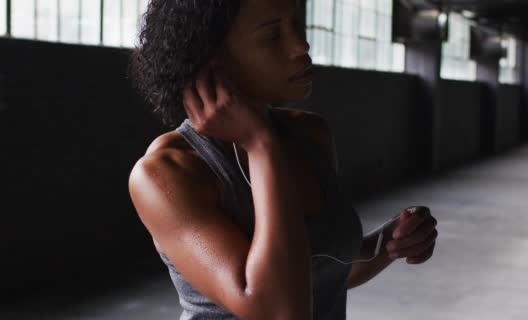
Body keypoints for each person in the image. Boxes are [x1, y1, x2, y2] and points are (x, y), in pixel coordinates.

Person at [127, 0, 438, 319]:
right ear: (213, 61)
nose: (301, 45)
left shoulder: (311, 135)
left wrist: (387, 245)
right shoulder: (166, 173)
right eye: (272, 36)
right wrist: (261, 146)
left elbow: (317, 274)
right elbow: (280, 310)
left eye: (297, 25)